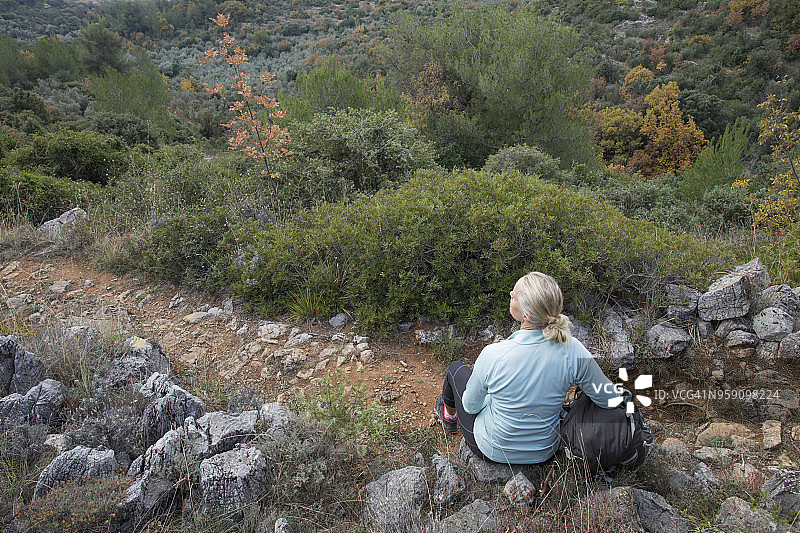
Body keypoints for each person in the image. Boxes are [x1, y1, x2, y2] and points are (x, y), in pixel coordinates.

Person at [434, 271, 619, 465]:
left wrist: (493, 398)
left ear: (526, 315)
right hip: (544, 452)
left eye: (514, 295)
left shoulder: (494, 354)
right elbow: (609, 399)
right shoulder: (572, 349)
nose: (510, 294)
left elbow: (471, 406)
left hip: (494, 449)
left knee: (456, 369)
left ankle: (449, 417)